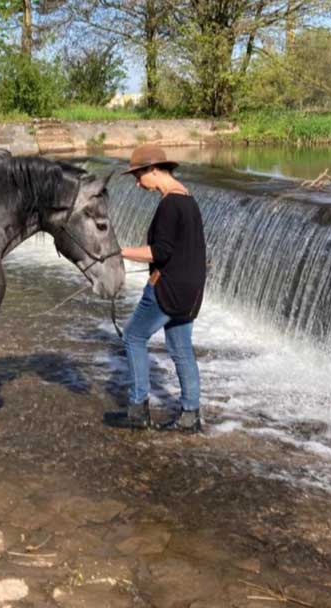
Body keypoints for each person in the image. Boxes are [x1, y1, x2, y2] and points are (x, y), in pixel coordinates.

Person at [119, 144, 206, 432]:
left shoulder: (170, 204)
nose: (136, 182)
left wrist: (120, 252)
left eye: (138, 175)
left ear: (153, 170)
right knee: (181, 348)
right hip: (191, 290)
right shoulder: (188, 199)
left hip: (166, 289)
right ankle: (190, 415)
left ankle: (137, 409)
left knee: (133, 336)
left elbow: (160, 252)